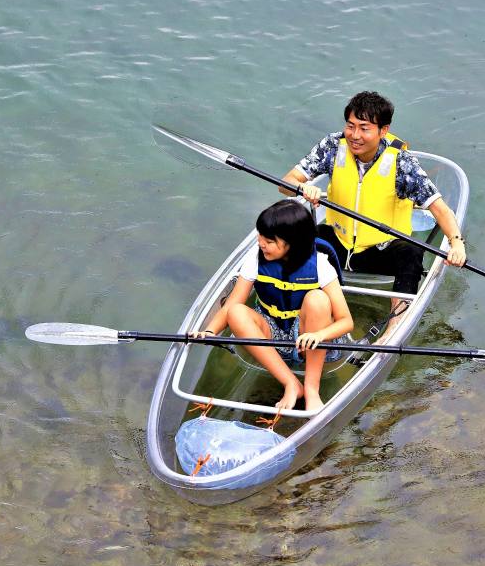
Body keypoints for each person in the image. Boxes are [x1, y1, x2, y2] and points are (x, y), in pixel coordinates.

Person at [280, 91, 467, 337]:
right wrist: (302, 187)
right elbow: (285, 183)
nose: (355, 135)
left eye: (364, 128)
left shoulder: (402, 163)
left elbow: (439, 208)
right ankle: (289, 309)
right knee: (295, 237)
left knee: (411, 252)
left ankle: (394, 327)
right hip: (338, 241)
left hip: (380, 250)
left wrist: (456, 243)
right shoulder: (332, 146)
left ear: (383, 130)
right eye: (351, 126)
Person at [190, 199, 354, 413]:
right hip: (273, 334)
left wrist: (320, 336)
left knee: (318, 299)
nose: (260, 243)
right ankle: (291, 384)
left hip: (313, 340)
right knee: (236, 311)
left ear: (292, 242)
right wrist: (210, 332)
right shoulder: (255, 261)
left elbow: (346, 322)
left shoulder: (321, 265)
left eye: (269, 240)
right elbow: (231, 306)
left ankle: (311, 389)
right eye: (260, 235)